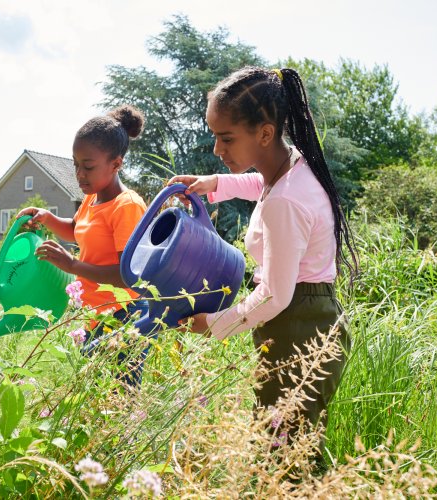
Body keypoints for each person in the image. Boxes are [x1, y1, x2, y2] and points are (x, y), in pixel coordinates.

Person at [169, 67, 358, 463]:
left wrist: (213, 324)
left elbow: (274, 295)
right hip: (311, 319)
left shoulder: (283, 205)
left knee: (284, 459)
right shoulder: (292, 166)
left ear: (265, 134)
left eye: (226, 139)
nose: (218, 149)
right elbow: (263, 183)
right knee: (293, 449)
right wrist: (216, 183)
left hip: (298, 327)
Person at [16, 105, 150, 386]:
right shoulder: (93, 198)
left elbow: (129, 274)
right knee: (91, 400)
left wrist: (72, 265)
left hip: (122, 317)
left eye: (88, 166)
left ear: (116, 164)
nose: (79, 173)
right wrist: (46, 217)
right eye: (75, 164)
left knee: (117, 402)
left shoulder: (127, 207)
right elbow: (78, 232)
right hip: (93, 316)